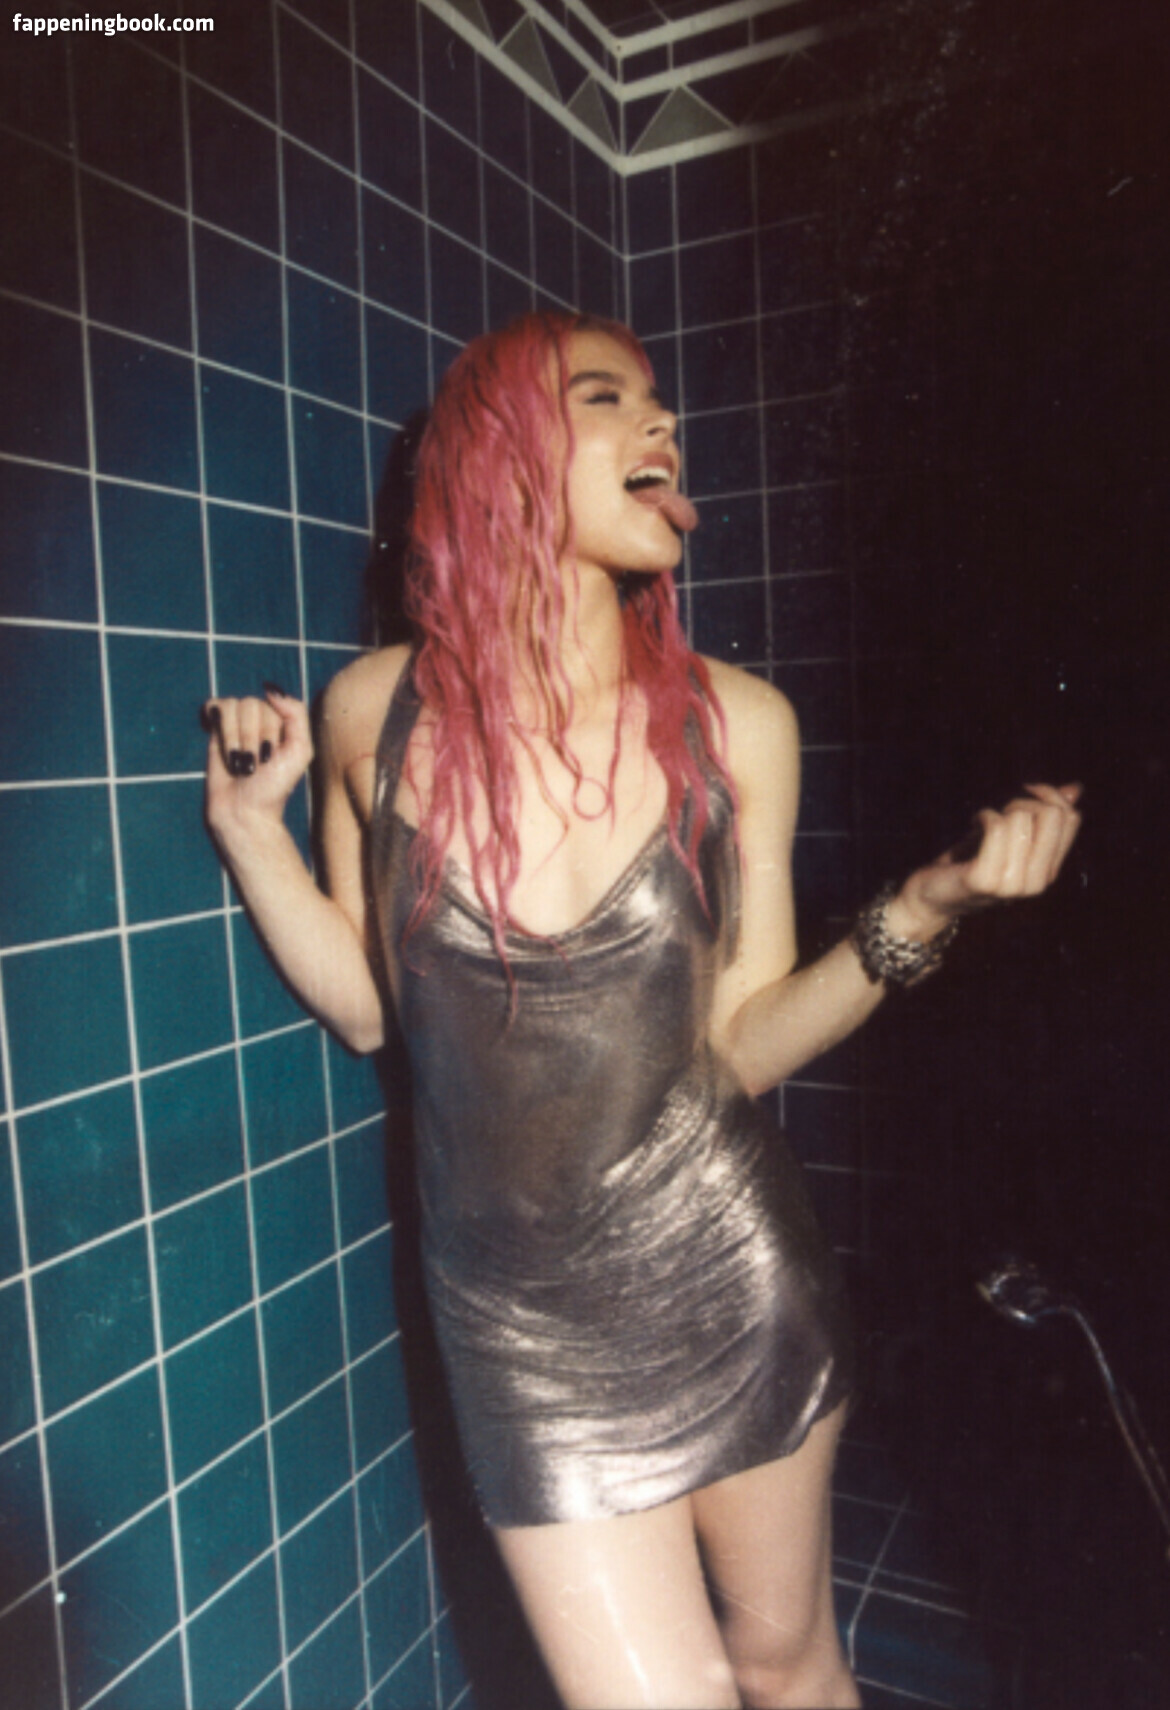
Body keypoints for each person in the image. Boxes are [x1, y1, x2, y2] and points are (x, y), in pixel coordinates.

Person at [203, 311, 1081, 1709]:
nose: (663, 424)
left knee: (786, 1666)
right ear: (494, 453)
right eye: (607, 397)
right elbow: (375, 1013)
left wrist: (924, 909)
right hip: (519, 1332)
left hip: (728, 1273)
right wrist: (252, 834)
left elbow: (741, 1042)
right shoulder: (373, 713)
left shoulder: (739, 725)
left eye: (661, 401)